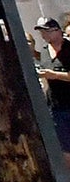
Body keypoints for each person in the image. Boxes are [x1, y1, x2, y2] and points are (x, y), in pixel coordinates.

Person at [34, 16, 70, 156]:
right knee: (65, 149)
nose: (44, 35)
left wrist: (55, 75)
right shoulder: (44, 51)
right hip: (56, 106)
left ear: (57, 31)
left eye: (47, 31)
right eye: (42, 32)